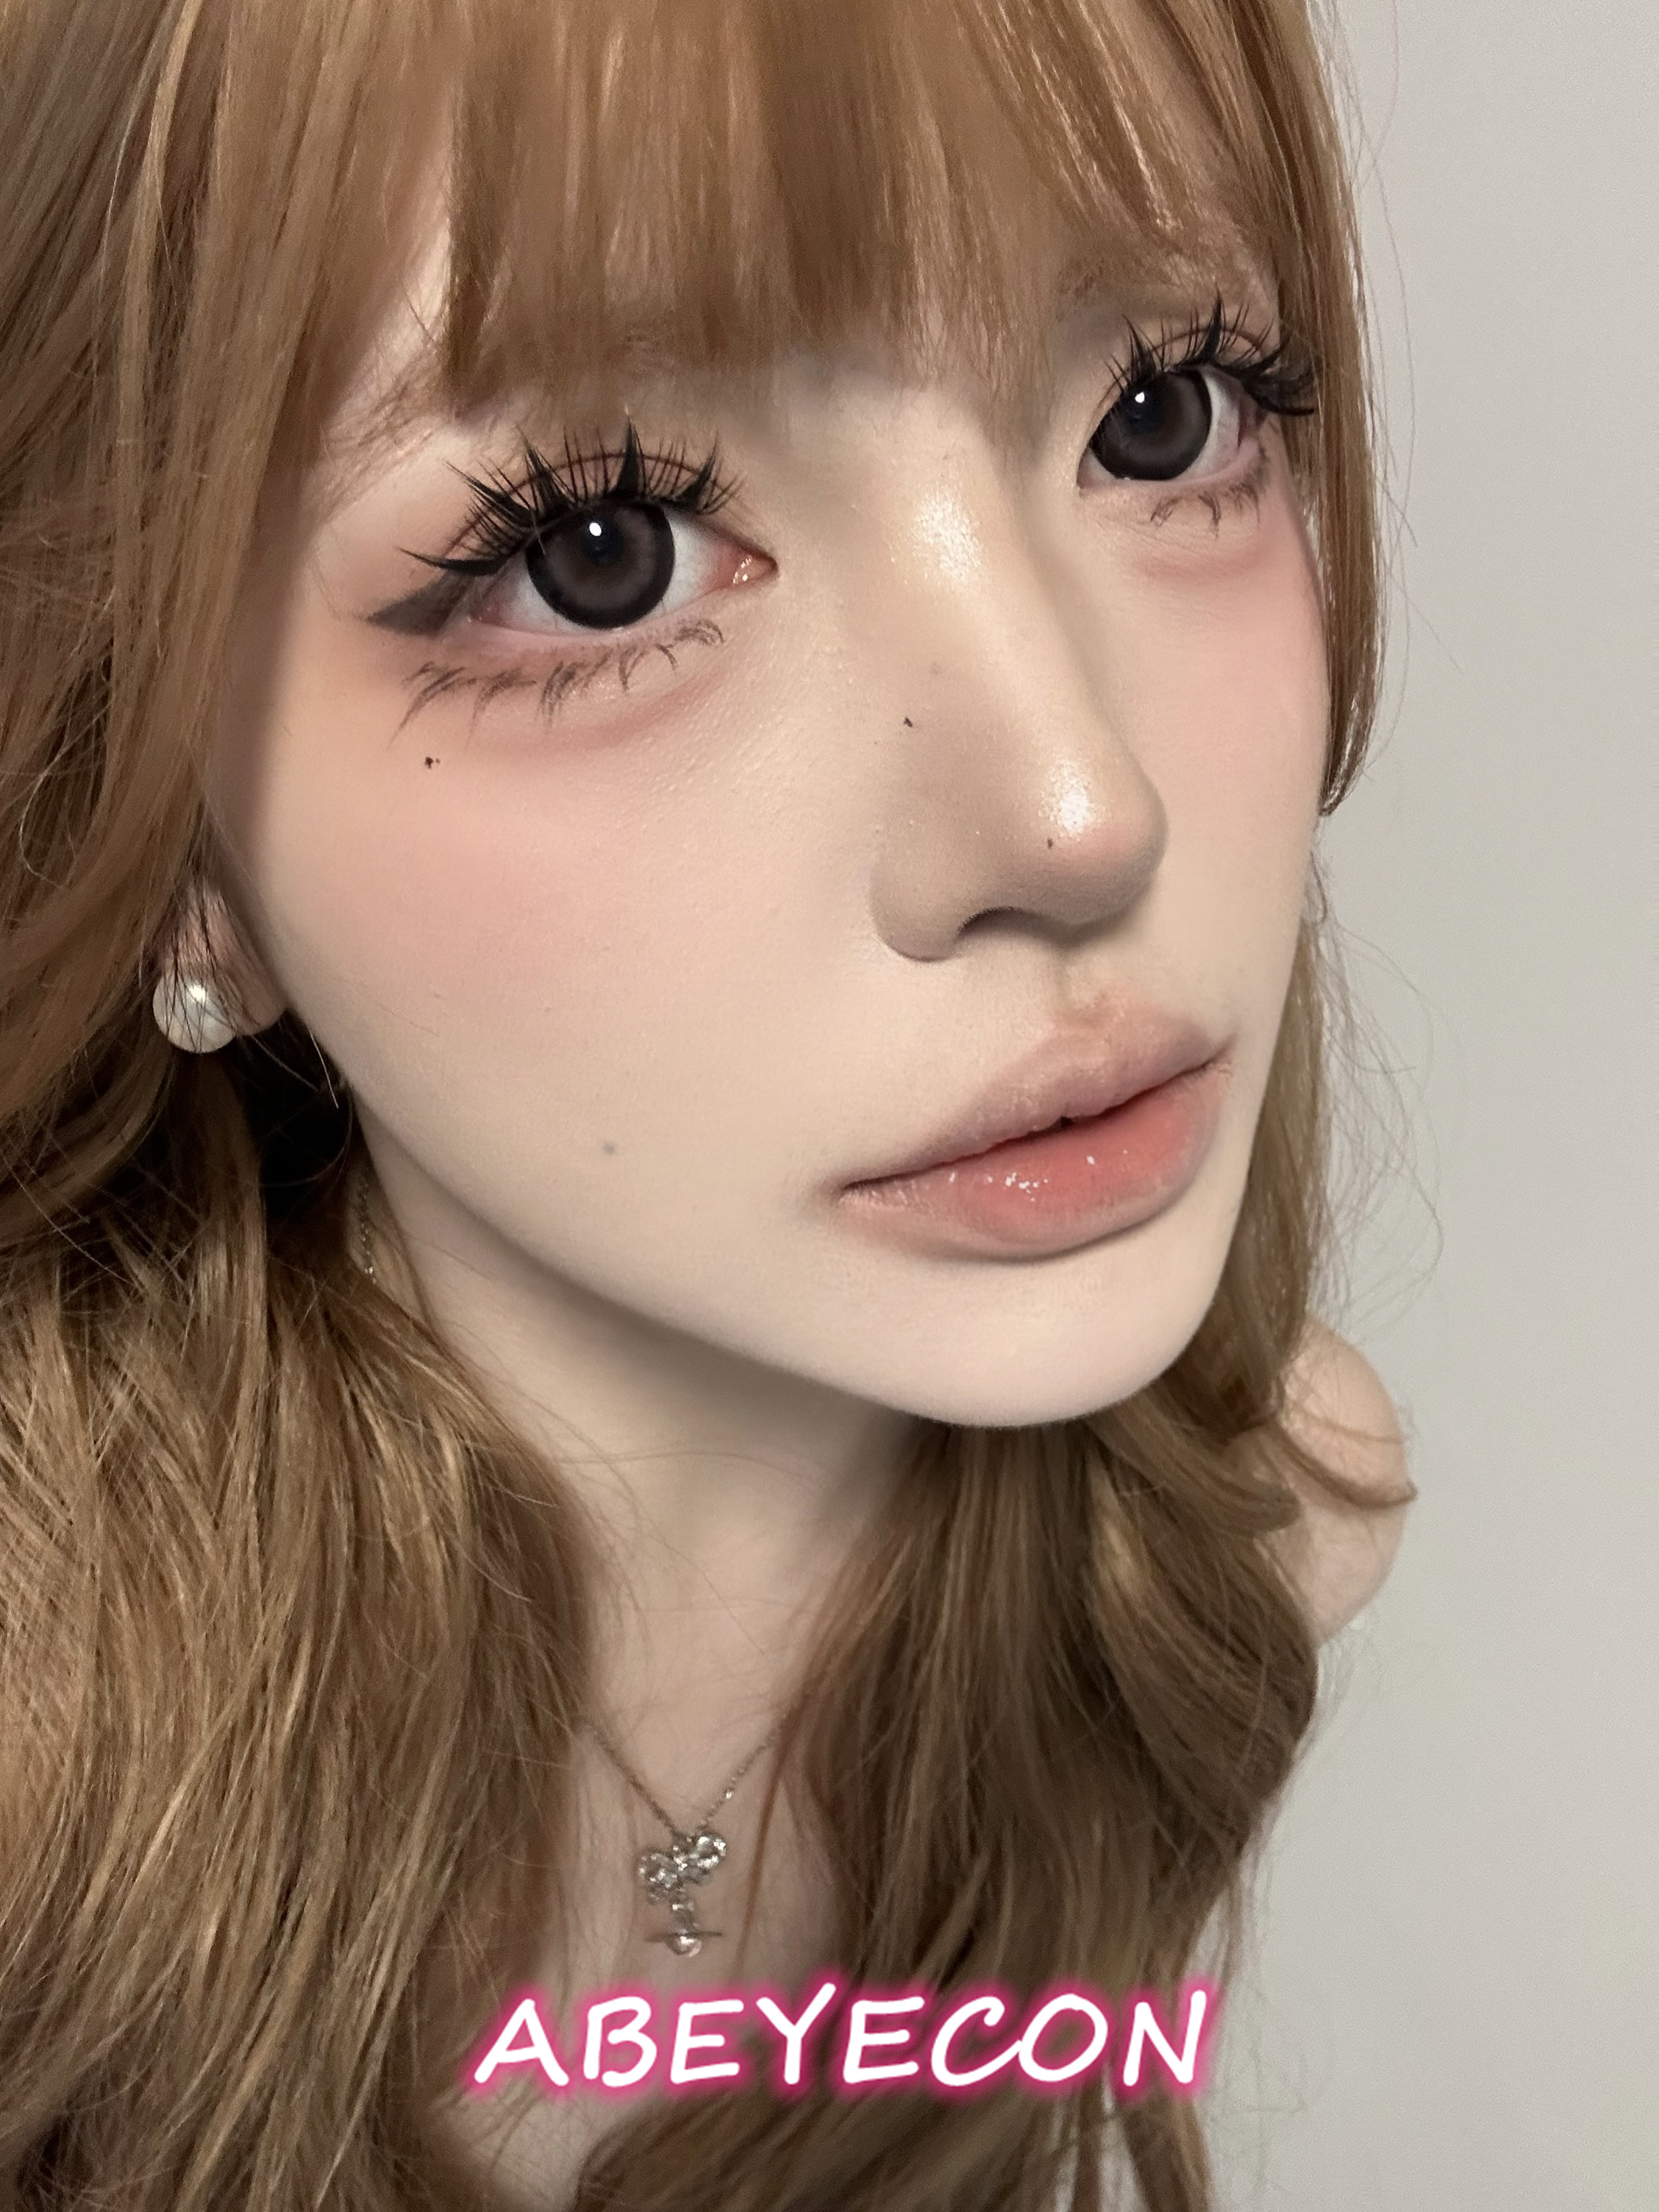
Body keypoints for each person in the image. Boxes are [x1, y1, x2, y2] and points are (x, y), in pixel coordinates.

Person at [0, 1, 1413, 2207]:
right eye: (603, 550)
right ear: (152, 796)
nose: (1079, 808)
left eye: (1169, 410)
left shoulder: (1241, 1529)